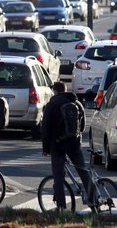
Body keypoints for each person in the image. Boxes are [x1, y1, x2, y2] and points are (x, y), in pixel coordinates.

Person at [42, 81, 90, 209]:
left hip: (57, 145)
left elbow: (45, 128)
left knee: (58, 178)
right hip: (74, 144)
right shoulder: (77, 103)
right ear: (65, 89)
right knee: (83, 171)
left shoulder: (51, 105)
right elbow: (83, 124)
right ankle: (94, 200)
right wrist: (77, 137)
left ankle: (61, 208)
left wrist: (45, 148)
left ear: (55, 91)